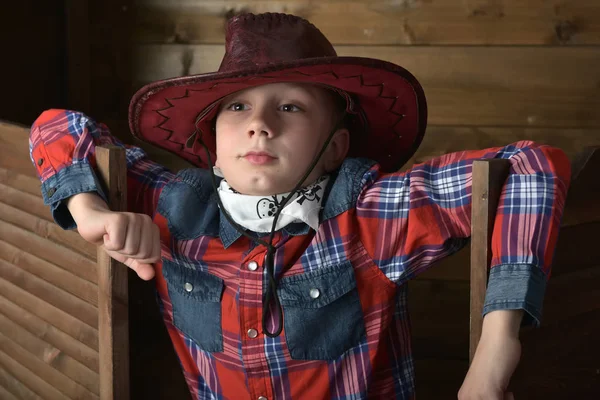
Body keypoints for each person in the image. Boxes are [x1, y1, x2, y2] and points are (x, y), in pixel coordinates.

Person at [29, 12, 570, 400]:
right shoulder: (173, 207)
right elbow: (57, 125)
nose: (259, 122)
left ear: (335, 147)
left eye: (290, 105)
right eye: (237, 106)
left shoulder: (371, 214)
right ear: (212, 141)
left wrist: (495, 353)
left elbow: (530, 164)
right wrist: (90, 213)